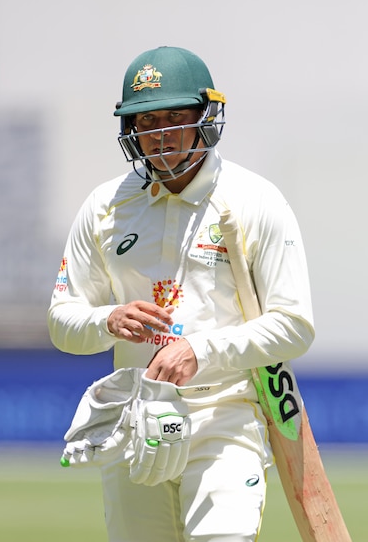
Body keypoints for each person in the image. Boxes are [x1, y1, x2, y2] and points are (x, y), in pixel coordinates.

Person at [48, 46, 315, 541]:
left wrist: (201, 348)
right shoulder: (106, 206)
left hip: (224, 415)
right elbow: (62, 322)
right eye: (147, 121)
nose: (162, 133)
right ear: (131, 131)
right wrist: (106, 319)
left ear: (205, 118)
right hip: (134, 414)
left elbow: (294, 325)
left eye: (176, 116)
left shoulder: (253, 201)